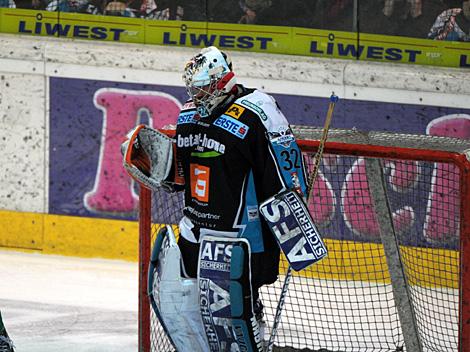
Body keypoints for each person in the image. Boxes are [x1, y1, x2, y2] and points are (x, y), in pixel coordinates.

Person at [122, 46, 308, 351]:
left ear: (223, 80)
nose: (197, 95)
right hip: (195, 229)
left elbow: (282, 171)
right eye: (193, 88)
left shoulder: (258, 111)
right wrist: (157, 166)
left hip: (243, 236)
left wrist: (293, 207)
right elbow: (181, 172)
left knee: (238, 315)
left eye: (203, 87)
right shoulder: (188, 113)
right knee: (192, 307)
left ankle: (254, 324)